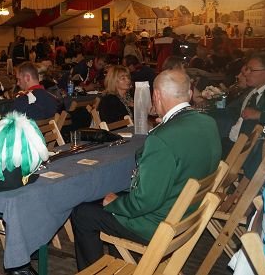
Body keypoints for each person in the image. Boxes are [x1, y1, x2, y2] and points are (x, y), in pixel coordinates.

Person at [71, 69, 222, 270]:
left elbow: (144, 201)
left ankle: (95, 272)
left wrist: (116, 204)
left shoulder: (162, 139)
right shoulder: (208, 122)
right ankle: (122, 263)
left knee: (82, 213)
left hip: (156, 223)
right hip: (187, 214)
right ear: (189, 93)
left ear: (156, 95)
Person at [224, 51, 265, 156]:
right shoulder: (252, 90)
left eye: (251, 70)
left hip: (255, 150)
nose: (246, 73)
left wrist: (260, 115)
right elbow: (231, 110)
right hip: (236, 140)